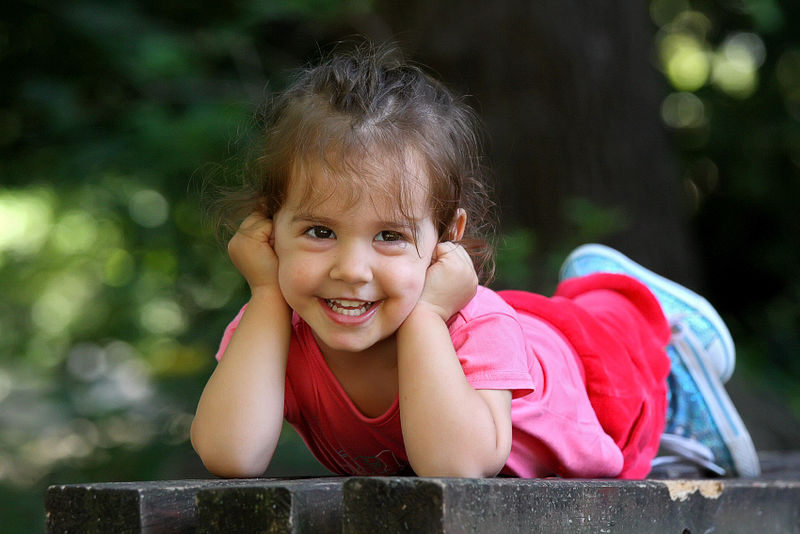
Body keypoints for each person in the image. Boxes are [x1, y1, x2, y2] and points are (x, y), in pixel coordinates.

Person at [190, 43, 760, 479]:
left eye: (389, 236)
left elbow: (456, 468)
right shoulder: (275, 327)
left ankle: (654, 329)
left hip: (591, 380)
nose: (351, 269)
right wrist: (265, 293)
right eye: (320, 232)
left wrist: (426, 316)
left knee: (627, 354)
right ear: (270, 229)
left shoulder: (477, 327)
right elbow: (230, 454)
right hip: (511, 332)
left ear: (446, 238)